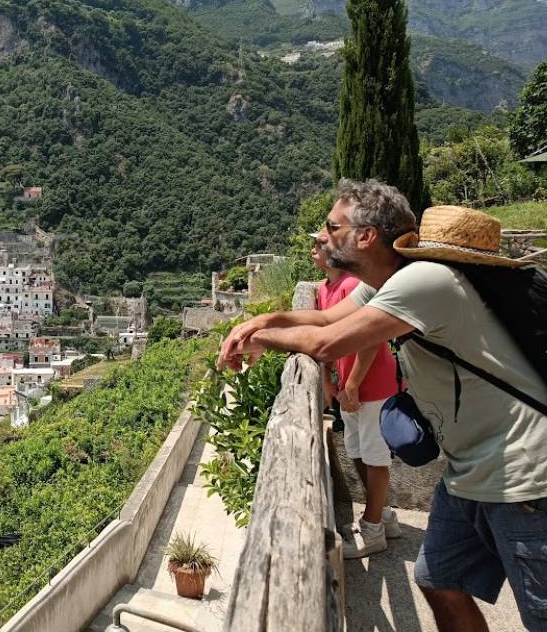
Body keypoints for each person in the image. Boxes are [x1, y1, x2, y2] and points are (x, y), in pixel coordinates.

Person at [219, 179, 547, 632]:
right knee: (437, 578)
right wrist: (261, 320)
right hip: (470, 470)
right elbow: (325, 316)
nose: (324, 234)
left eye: (332, 225)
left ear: (366, 236)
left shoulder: (423, 280)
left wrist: (257, 339)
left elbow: (326, 341)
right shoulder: (388, 281)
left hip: (524, 475)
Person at [311, 232, 400, 558]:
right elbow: (325, 336)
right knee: (359, 452)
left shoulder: (352, 286)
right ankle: (383, 516)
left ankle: (373, 529)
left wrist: (351, 386)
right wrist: (327, 380)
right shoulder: (323, 290)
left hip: (372, 385)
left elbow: (372, 339)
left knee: (375, 456)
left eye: (321, 245)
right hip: (349, 386)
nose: (314, 250)